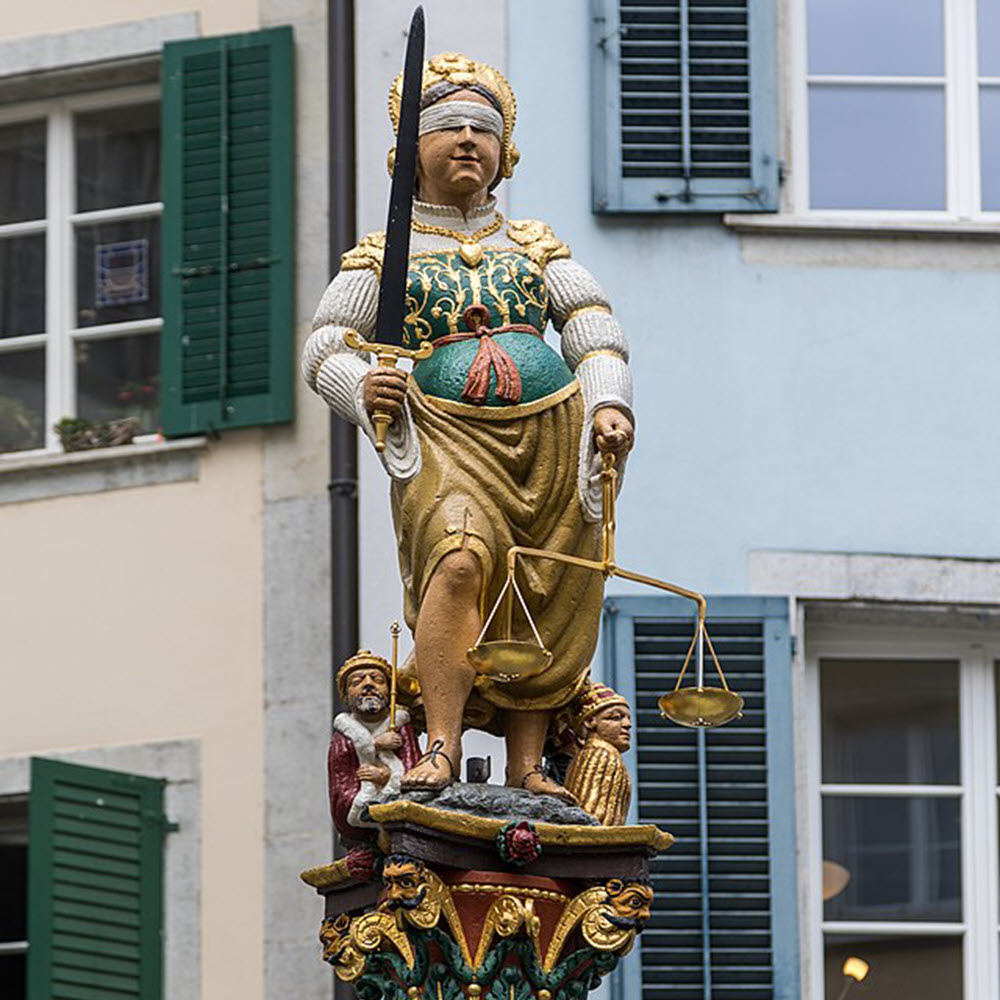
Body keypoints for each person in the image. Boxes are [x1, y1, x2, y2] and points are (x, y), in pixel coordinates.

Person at [304, 53, 634, 801]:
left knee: (541, 586)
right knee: (458, 562)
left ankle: (526, 765)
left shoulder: (538, 248)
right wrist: (367, 387)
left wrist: (610, 401)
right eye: (446, 126)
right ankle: (444, 744)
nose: (465, 139)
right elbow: (325, 343)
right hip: (446, 439)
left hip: (552, 439)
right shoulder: (384, 257)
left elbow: (593, 327)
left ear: (504, 151)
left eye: (483, 128)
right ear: (408, 150)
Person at [328, 651, 421, 845]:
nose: (368, 684)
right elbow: (341, 777)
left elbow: (412, 764)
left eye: (377, 679)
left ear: (389, 690)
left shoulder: (400, 725)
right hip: (359, 807)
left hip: (399, 811)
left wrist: (386, 776)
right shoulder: (344, 734)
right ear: (346, 695)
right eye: (357, 681)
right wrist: (376, 744)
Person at [564, 682, 632, 826]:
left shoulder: (597, 754)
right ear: (590, 721)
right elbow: (594, 819)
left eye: (627, 718)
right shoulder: (603, 756)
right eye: (615, 718)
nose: (627, 724)